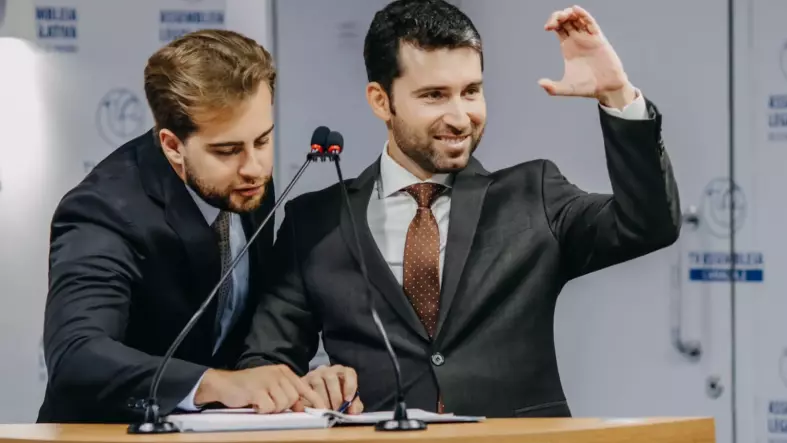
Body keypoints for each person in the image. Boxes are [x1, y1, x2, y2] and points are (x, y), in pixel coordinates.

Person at [238, 0, 680, 418]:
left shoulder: (534, 194)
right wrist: (308, 387)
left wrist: (617, 95)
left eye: (471, 91)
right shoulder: (313, 223)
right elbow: (265, 363)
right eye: (434, 95)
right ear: (380, 100)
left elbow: (647, 225)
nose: (460, 116)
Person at [38, 29, 357, 424]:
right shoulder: (103, 209)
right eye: (227, 150)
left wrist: (288, 385)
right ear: (173, 146)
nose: (255, 167)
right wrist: (213, 384)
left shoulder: (246, 182)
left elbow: (238, 337)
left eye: (263, 141)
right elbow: (76, 357)